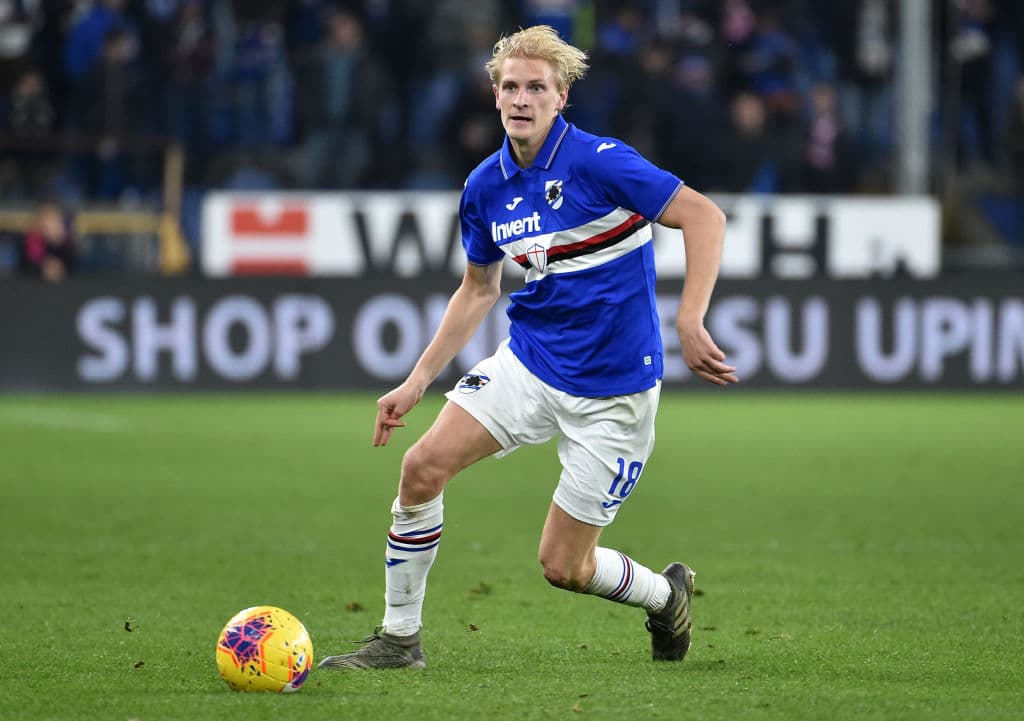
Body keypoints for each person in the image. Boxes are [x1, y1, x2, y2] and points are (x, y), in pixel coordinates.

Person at [319, 25, 737, 671]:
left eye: (536, 87)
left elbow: (705, 216)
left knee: (564, 566)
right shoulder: (485, 187)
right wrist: (416, 380)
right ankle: (400, 639)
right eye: (510, 86)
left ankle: (665, 594)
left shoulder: (600, 161)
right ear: (494, 97)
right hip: (531, 362)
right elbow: (478, 288)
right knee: (420, 468)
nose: (521, 99)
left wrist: (690, 316)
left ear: (561, 96)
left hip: (614, 391)